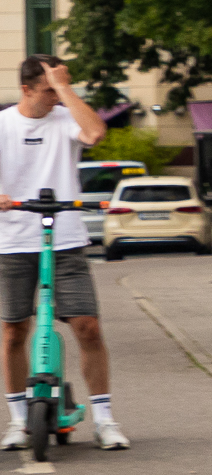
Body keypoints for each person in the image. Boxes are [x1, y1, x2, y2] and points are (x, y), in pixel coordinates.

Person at [0, 56, 123, 449]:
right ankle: (19, 420)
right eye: (49, 88)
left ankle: (104, 419)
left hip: (65, 237)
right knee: (14, 330)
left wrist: (65, 88)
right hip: (14, 239)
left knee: (88, 327)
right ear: (26, 89)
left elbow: (95, 133)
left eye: (60, 88)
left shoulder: (66, 117)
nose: (56, 95)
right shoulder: (4, 125)